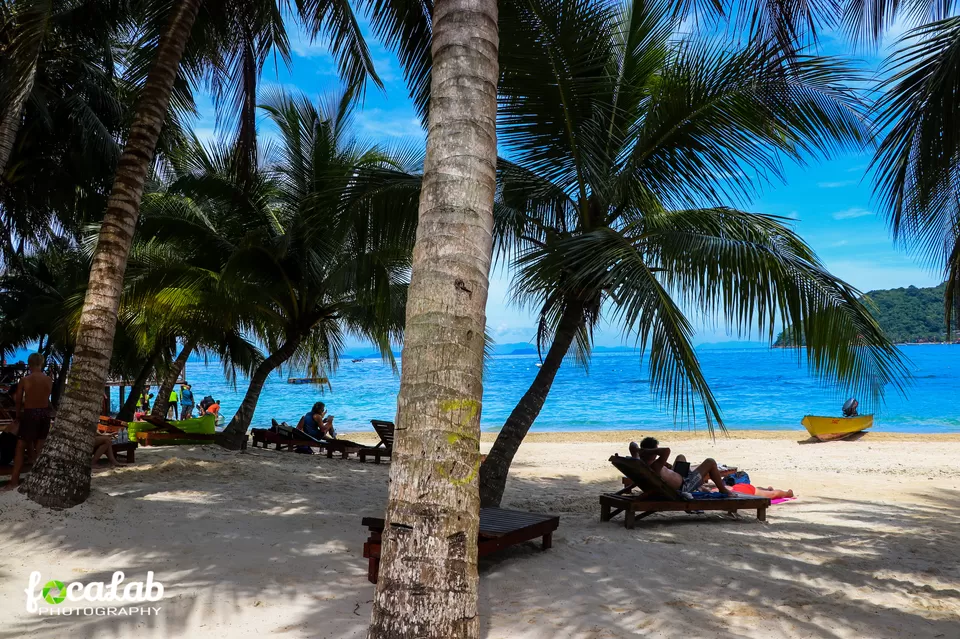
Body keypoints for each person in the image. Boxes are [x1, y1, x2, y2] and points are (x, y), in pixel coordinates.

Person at [3, 353, 53, 491]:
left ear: (29, 364)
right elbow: (47, 399)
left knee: (20, 447)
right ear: (41, 363)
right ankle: (42, 480)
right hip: (44, 414)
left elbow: (18, 400)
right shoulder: (48, 379)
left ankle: (14, 481)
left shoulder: (25, 380)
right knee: (40, 447)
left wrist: (18, 415)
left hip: (31, 414)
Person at [630, 436, 732, 496]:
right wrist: (649, 451)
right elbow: (666, 450)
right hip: (684, 486)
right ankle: (722, 489)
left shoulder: (640, 461)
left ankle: (699, 485)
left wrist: (641, 451)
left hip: (678, 479)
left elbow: (632, 444)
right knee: (710, 462)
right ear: (653, 451)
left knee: (681, 457)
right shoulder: (655, 465)